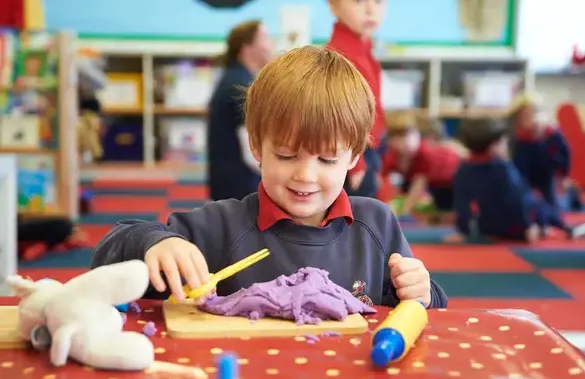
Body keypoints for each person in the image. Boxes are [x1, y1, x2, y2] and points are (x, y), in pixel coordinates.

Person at [91, 46, 447, 309]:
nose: (305, 175)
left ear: (353, 156)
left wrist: (422, 293)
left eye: (326, 159)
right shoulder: (222, 227)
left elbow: (427, 311)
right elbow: (109, 257)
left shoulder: (377, 224)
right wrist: (156, 244)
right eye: (286, 155)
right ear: (256, 147)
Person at [453, 118, 585, 242]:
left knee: (533, 203)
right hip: (514, 227)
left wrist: (464, 229)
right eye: (504, 143)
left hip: (486, 226)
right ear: (493, 146)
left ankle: (547, 228)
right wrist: (527, 226)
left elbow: (461, 203)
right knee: (537, 204)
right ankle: (562, 228)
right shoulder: (502, 168)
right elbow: (518, 200)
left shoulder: (463, 168)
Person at [325, 0, 388, 198]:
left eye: (379, 0)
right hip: (353, 154)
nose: (371, 9)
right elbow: (337, 118)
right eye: (359, 0)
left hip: (370, 148)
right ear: (334, 4)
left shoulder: (364, 47)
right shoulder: (339, 55)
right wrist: (358, 164)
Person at [207, 20, 274, 201]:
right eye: (265, 38)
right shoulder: (241, 86)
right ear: (246, 47)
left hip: (229, 183)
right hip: (240, 188)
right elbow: (250, 151)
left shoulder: (234, 77)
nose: (272, 44)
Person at [382, 121, 461, 216]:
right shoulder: (391, 155)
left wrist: (403, 213)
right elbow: (382, 179)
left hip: (451, 177)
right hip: (427, 179)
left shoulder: (423, 154)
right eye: (398, 138)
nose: (402, 142)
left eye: (405, 137)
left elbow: (417, 188)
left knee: (446, 212)